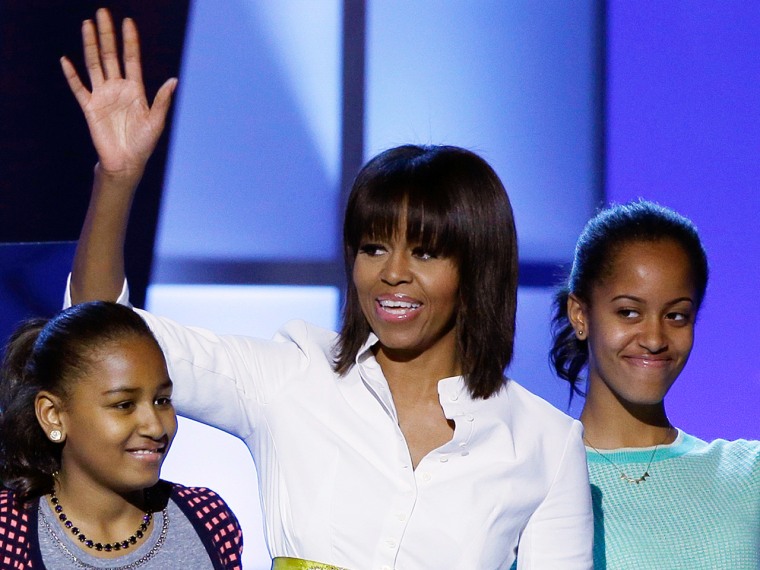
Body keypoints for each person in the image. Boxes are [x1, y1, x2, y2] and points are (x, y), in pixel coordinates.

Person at [62, 9, 593, 569]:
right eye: (373, 247)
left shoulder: (544, 443)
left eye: (426, 252)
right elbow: (99, 335)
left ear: (477, 269)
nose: (392, 272)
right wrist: (117, 182)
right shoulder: (293, 375)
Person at [550, 200, 760, 569]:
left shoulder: (746, 475)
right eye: (629, 312)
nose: (654, 338)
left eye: (676, 315)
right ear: (580, 315)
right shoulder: (535, 480)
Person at [0, 301, 243, 569]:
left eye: (162, 400)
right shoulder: (7, 531)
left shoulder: (207, 518)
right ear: (53, 414)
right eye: (124, 405)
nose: (155, 427)